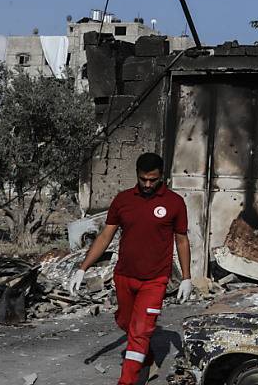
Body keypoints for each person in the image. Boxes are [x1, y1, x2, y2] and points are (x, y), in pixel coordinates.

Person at [66, 152, 193, 384]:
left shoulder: (174, 203)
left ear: (161, 176)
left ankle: (127, 380)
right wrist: (82, 267)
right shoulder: (123, 200)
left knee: (140, 331)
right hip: (124, 275)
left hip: (155, 280)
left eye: (152, 180)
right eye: (143, 179)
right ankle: (145, 357)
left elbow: (182, 239)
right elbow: (105, 236)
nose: (147, 184)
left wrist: (186, 277)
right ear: (137, 174)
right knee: (126, 323)